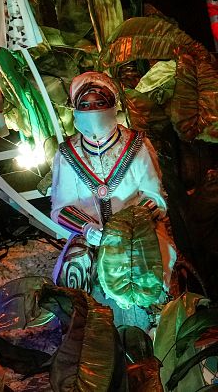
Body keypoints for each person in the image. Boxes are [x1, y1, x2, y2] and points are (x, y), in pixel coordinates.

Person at [50, 72, 174, 329]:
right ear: (75, 109)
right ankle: (86, 333)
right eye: (85, 105)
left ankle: (155, 328)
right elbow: (61, 207)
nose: (92, 110)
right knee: (76, 267)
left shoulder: (137, 145)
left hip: (139, 230)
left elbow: (154, 196)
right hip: (90, 234)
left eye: (100, 103)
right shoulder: (67, 154)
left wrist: (132, 225)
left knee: (158, 265)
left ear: (112, 105)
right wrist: (87, 228)